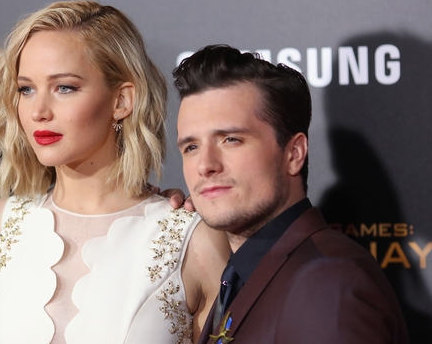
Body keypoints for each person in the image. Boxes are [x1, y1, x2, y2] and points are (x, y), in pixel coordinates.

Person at [0, 0, 230, 343]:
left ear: (121, 101)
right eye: (26, 89)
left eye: (65, 87)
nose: (39, 111)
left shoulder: (193, 239)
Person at [173, 44, 409, 344]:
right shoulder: (239, 273)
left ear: (294, 153)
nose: (205, 165)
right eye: (191, 147)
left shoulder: (327, 285)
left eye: (231, 139)